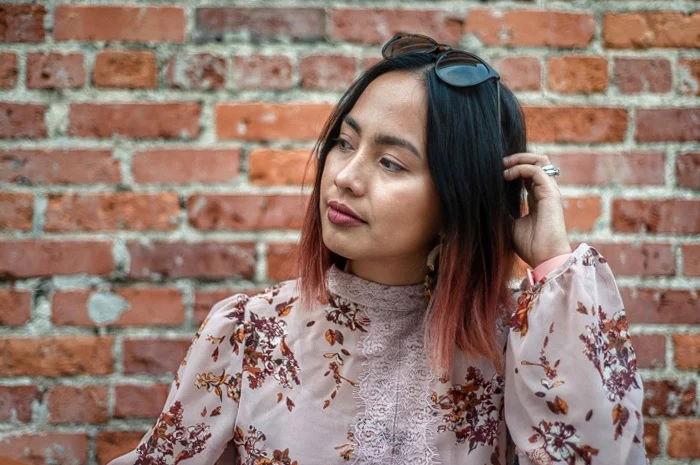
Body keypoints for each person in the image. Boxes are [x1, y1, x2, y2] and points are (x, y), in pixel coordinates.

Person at [106, 32, 649, 465]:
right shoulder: (252, 332)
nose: (344, 176)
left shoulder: (514, 344)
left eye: (391, 162)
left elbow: (599, 451)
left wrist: (551, 259)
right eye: (345, 142)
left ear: (457, 196)